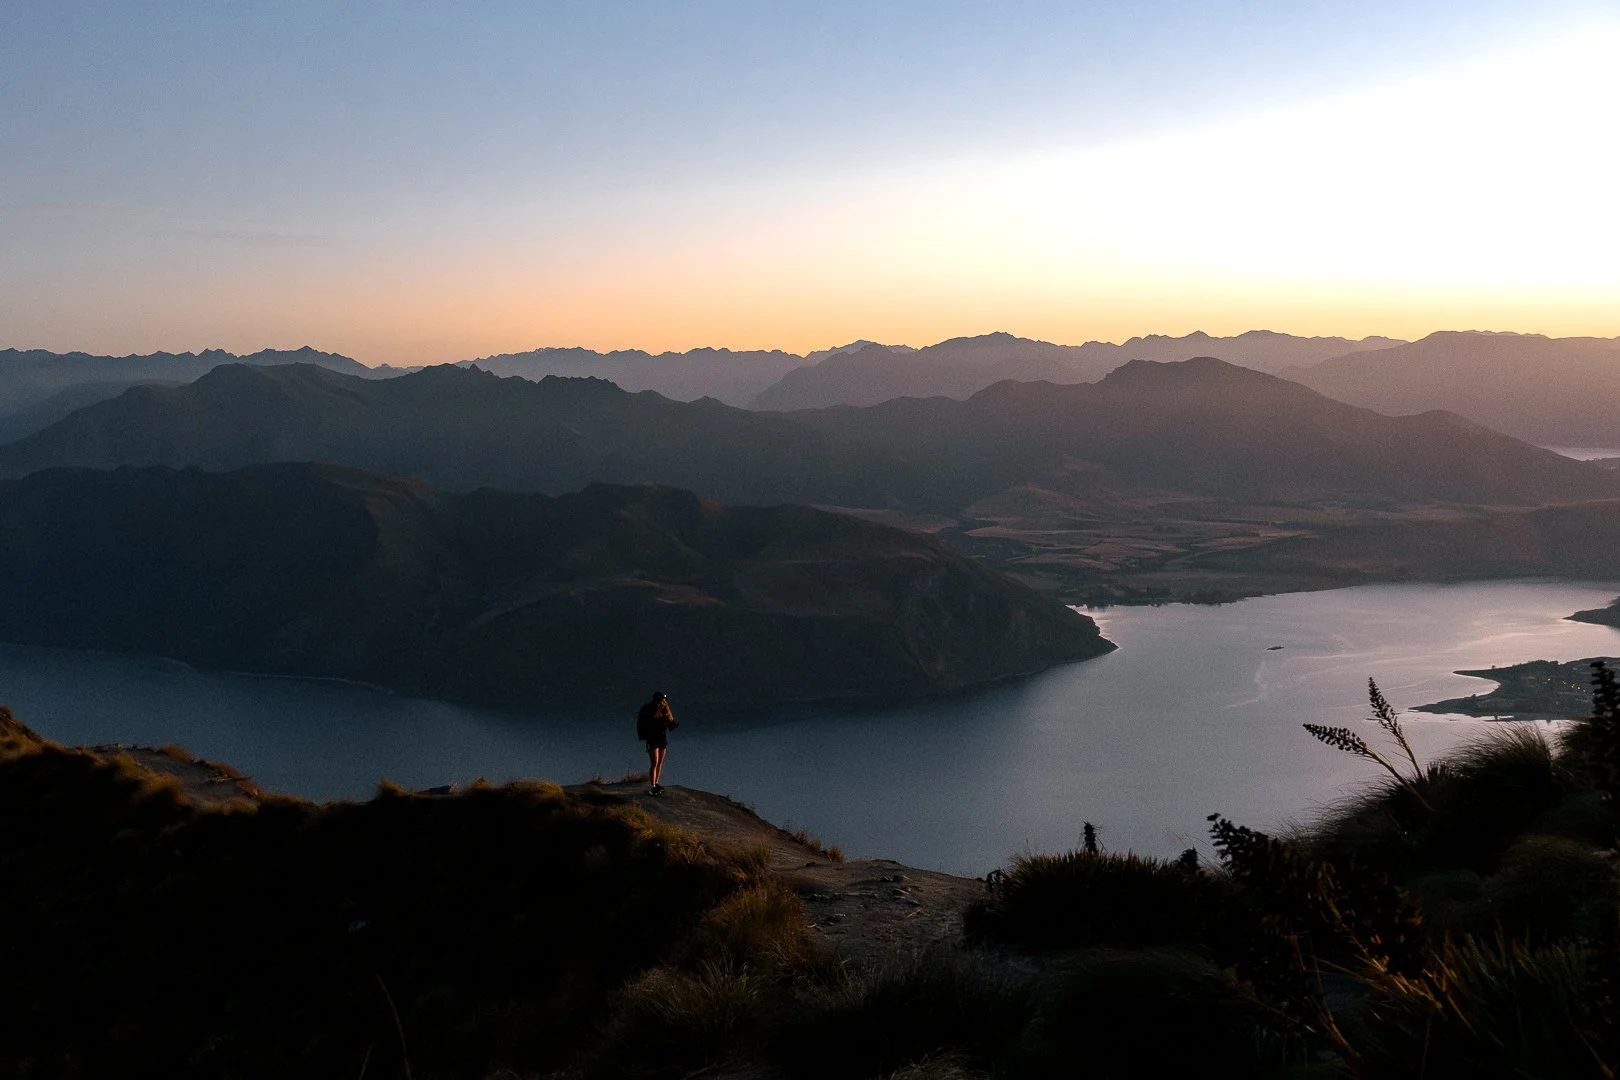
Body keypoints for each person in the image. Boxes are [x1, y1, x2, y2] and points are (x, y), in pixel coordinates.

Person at [636, 691, 677, 795]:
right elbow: (651, 723)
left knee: (659, 762)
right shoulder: (649, 709)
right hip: (652, 738)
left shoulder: (664, 707)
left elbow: (669, 720)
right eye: (662, 699)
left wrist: (670, 723)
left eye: (664, 699)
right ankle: (652, 785)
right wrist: (662, 721)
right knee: (654, 762)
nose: (664, 700)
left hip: (661, 736)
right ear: (658, 700)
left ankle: (656, 783)